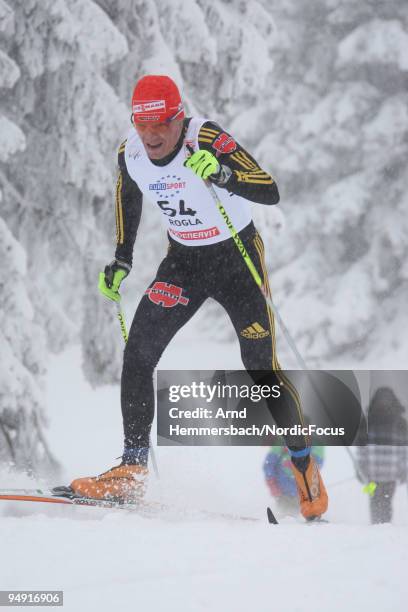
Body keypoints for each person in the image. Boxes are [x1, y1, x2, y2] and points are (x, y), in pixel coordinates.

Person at [69, 75, 328, 519]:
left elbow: (269, 188)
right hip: (184, 263)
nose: (150, 135)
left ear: (178, 116)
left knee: (260, 368)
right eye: (142, 123)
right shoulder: (130, 151)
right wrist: (122, 258)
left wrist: (223, 173)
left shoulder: (204, 137)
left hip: (237, 257)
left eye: (160, 124)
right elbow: (127, 197)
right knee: (138, 355)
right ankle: (132, 469)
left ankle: (304, 468)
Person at [357, 387, 407, 524]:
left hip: (373, 473)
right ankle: (384, 525)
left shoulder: (367, 422)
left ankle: (378, 525)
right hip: (391, 473)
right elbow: (404, 452)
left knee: (375, 500)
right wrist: (403, 471)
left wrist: (361, 469)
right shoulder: (401, 423)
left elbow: (361, 449)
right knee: (386, 499)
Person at [264, 445, 325, 516]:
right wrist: (272, 485)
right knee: (284, 513)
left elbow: (316, 464)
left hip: (303, 495)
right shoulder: (280, 445)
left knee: (303, 513)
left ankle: (312, 516)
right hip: (283, 494)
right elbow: (269, 465)